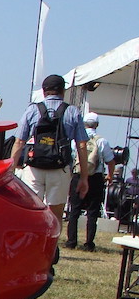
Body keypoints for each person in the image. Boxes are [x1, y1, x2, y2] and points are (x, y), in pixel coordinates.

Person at [12, 74, 89, 247]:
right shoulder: (72, 111)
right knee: (55, 215)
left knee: (31, 211)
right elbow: (82, 145)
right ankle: (49, 251)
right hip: (60, 170)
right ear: (63, 91)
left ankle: (30, 248)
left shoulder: (32, 110)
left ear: (44, 91)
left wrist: (11, 169)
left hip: (34, 169)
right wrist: (84, 177)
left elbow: (19, 141)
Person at [64, 112, 115, 251]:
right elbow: (110, 161)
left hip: (78, 176)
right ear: (97, 124)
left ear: (83, 123)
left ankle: (71, 241)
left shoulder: (75, 140)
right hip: (95, 178)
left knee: (74, 211)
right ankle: (88, 244)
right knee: (92, 212)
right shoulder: (102, 141)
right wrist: (110, 176)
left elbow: (70, 158)